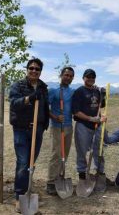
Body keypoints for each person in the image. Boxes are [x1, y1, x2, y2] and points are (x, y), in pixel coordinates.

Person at [9, 58, 49, 212]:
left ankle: (28, 191)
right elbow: (13, 103)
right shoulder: (18, 85)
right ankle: (19, 196)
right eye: (31, 68)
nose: (34, 70)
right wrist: (29, 98)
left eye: (37, 69)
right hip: (21, 129)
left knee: (31, 163)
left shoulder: (43, 87)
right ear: (27, 69)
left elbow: (45, 106)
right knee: (23, 162)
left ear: (40, 71)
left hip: (37, 129)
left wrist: (45, 122)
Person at [72, 69, 107, 182]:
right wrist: (91, 119)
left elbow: (100, 106)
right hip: (83, 126)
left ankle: (99, 173)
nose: (91, 79)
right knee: (82, 151)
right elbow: (76, 112)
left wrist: (103, 94)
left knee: (99, 150)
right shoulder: (79, 92)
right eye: (88, 77)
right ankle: (82, 175)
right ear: (83, 78)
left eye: (93, 77)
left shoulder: (97, 91)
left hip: (97, 126)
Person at [46, 66, 75, 195]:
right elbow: (45, 108)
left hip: (69, 126)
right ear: (61, 75)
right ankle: (51, 182)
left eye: (70, 76)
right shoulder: (53, 91)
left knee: (65, 154)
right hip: (58, 127)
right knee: (56, 154)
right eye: (66, 75)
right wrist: (55, 117)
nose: (68, 77)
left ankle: (59, 177)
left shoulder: (72, 92)